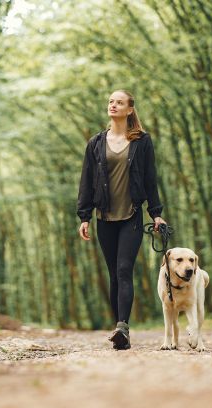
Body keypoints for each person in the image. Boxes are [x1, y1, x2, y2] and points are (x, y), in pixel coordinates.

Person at [77, 90, 166, 350]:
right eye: (110, 101)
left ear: (129, 110)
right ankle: (119, 328)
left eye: (119, 102)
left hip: (132, 216)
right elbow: (86, 180)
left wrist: (156, 213)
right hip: (104, 216)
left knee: (124, 269)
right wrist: (84, 216)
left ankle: (122, 327)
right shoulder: (95, 142)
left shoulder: (142, 141)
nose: (113, 105)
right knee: (114, 275)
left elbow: (150, 179)